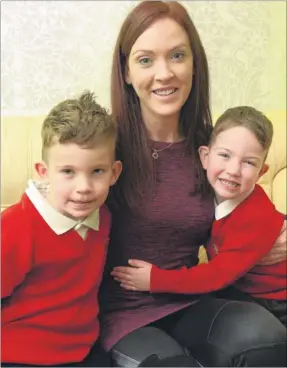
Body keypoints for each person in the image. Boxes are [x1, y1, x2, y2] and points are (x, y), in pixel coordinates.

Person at [98, 1, 287, 367]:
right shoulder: (107, 146)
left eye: (177, 55)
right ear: (125, 71)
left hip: (190, 300)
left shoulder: (213, 150)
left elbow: (249, 206)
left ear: (194, 64)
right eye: (145, 60)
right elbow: (61, 189)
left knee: (267, 341)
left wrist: (270, 239)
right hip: (123, 312)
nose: (164, 73)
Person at [112, 105, 287, 327]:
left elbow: (217, 275)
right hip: (237, 287)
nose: (233, 169)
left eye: (249, 162)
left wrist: (155, 280)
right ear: (205, 157)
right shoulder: (207, 192)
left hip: (273, 300)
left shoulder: (255, 216)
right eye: (224, 155)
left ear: (261, 172)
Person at [1, 91, 122, 367]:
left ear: (114, 172)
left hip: (82, 349)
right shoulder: (16, 226)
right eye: (68, 171)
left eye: (97, 172)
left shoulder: (103, 216)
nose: (83, 188)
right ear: (43, 172)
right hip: (17, 353)